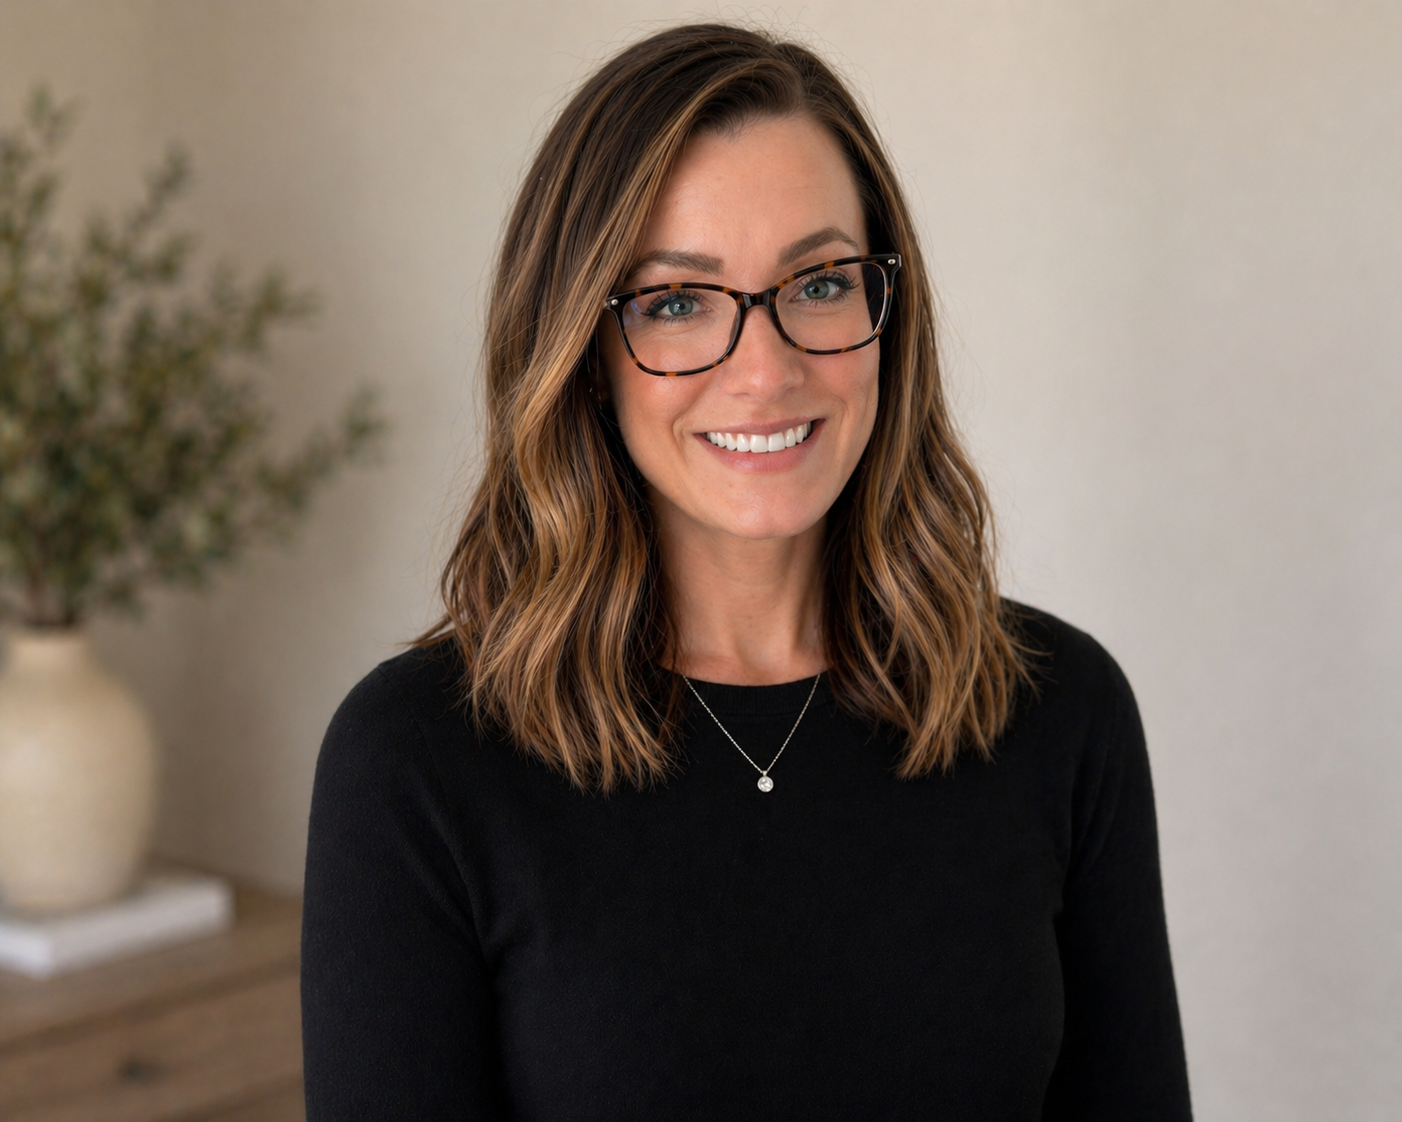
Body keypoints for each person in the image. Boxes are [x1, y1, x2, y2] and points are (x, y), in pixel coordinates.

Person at [301, 22, 1192, 1121]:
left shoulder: (1060, 711)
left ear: (885, 313)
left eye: (818, 283)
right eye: (677, 302)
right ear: (581, 350)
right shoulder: (420, 764)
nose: (766, 370)